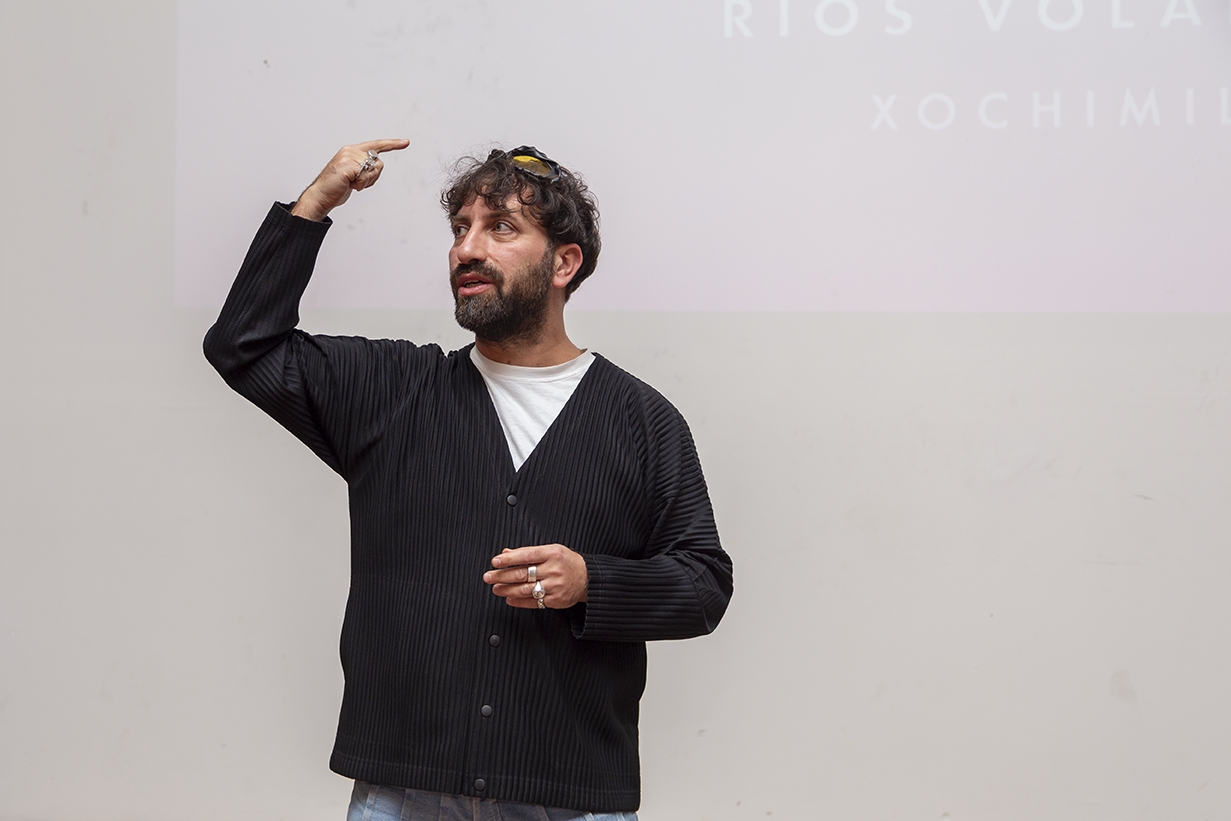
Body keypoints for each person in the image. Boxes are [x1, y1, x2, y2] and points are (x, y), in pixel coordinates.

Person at [203, 139, 733, 821]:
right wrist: (315, 206)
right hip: (399, 793)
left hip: (570, 798)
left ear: (564, 262)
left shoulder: (641, 421)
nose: (466, 249)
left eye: (501, 228)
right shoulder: (391, 391)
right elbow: (243, 345)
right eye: (460, 230)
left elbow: (703, 583)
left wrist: (590, 582)